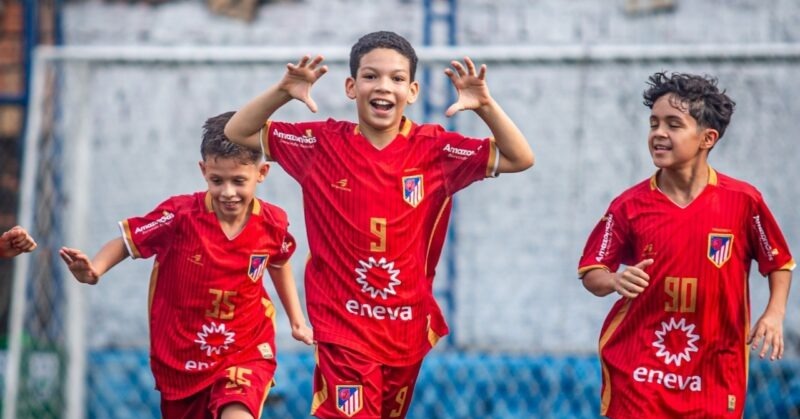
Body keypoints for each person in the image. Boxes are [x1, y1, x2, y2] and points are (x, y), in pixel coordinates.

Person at [225, 31, 534, 418]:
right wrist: (282, 91)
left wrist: (486, 105)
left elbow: (520, 157)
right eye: (371, 76)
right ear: (352, 87)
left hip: (405, 328)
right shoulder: (320, 145)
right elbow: (237, 132)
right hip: (342, 328)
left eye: (397, 78)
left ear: (413, 90)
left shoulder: (435, 150)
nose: (383, 86)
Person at [59, 111, 313, 419]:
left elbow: (278, 261)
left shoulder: (273, 222)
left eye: (239, 181)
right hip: (182, 358)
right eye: (217, 181)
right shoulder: (179, 217)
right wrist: (94, 269)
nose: (228, 192)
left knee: (238, 412)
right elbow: (126, 243)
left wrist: (297, 320)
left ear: (262, 173)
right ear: (203, 170)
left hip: (245, 350)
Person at [578, 72, 795, 418]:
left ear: (707, 138)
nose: (658, 133)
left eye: (673, 125)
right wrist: (616, 280)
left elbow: (778, 261)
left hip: (714, 369)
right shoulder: (628, 206)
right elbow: (592, 270)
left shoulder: (743, 201)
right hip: (640, 368)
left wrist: (775, 313)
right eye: (653, 124)